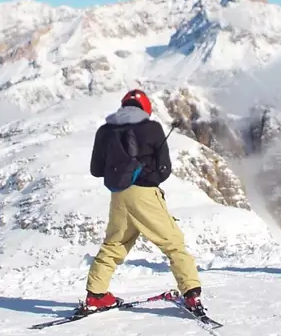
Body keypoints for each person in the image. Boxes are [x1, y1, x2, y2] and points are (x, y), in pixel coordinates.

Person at [83, 89, 205, 315]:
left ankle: (96, 296)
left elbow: (96, 170)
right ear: (146, 108)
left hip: (118, 195)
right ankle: (191, 294)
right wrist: (146, 176)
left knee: (114, 244)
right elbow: (164, 169)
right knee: (173, 243)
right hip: (146, 194)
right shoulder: (152, 128)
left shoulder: (105, 130)